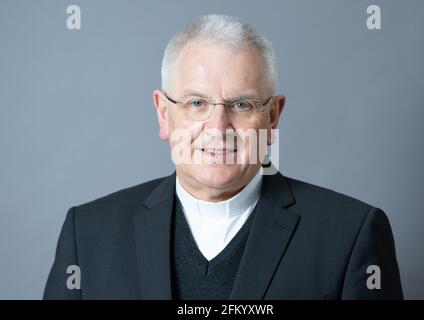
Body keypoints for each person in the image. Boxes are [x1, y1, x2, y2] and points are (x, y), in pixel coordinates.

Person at [44, 14, 403, 299]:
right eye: (196, 103)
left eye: (242, 104)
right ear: (163, 112)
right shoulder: (89, 232)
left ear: (273, 115)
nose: (218, 127)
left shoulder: (350, 234)